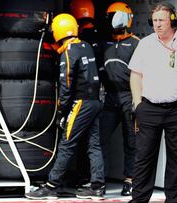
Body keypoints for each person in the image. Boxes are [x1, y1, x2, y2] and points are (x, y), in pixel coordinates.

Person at [128, 2, 177, 203]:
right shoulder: (145, 44)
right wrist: (138, 104)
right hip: (149, 109)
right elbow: (135, 75)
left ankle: (173, 200)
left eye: (162, 20)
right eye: (154, 21)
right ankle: (139, 199)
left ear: (172, 20)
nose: (157, 24)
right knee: (143, 158)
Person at [25, 13, 105, 200]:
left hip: (81, 103)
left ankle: (51, 186)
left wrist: (62, 110)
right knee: (94, 145)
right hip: (95, 101)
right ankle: (97, 187)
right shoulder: (85, 46)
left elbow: (66, 83)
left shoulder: (68, 51)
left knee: (66, 144)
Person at [100, 2, 139, 196]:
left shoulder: (136, 43)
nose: (112, 19)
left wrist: (139, 100)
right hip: (110, 97)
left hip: (129, 96)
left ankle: (130, 180)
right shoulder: (104, 43)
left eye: (115, 15)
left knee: (131, 140)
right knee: (100, 138)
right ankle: (98, 180)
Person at [68, 0, 101, 186]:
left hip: (81, 98)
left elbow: (69, 75)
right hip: (97, 96)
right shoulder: (99, 37)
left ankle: (61, 180)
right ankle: (96, 183)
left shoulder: (77, 43)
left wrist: (63, 106)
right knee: (93, 143)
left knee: (69, 142)